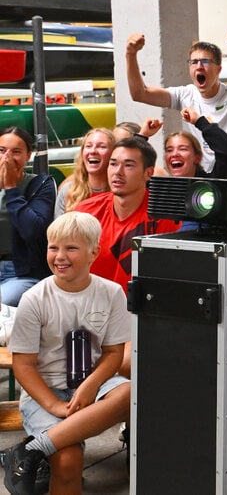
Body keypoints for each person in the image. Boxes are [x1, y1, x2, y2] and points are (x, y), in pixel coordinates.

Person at [1, 212, 131, 495]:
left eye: (71, 248)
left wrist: (90, 385)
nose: (60, 256)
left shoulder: (111, 293)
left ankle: (32, 450)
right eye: (53, 247)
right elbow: (23, 365)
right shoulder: (34, 298)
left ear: (93, 252)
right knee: (69, 460)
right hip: (46, 390)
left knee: (129, 392)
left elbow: (113, 353)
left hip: (93, 382)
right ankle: (45, 447)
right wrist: (53, 406)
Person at [124, 29, 227, 180]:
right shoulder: (185, 95)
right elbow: (140, 94)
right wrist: (131, 54)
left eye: (205, 61)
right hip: (200, 181)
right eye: (194, 62)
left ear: (218, 69)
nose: (199, 66)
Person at [74, 137, 180, 292]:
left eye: (128, 165)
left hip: (142, 307)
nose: (118, 172)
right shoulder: (85, 212)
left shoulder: (164, 215)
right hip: (91, 304)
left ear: (148, 173)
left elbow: (168, 276)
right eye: (113, 164)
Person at [0, 127, 55, 307]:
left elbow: (32, 230)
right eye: (1, 150)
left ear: (28, 155)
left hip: (21, 274)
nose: (7, 157)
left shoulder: (41, 184)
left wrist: (10, 188)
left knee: (4, 302)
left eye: (16, 152)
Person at [164, 107, 227, 180]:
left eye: (183, 149)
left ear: (197, 158)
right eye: (169, 150)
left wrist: (200, 122)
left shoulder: (211, 184)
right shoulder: (163, 189)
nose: (174, 154)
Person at [55, 128, 115, 217]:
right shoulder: (68, 190)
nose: (93, 151)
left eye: (102, 146)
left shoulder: (120, 191)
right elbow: (58, 230)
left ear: (113, 153)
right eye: (88, 146)